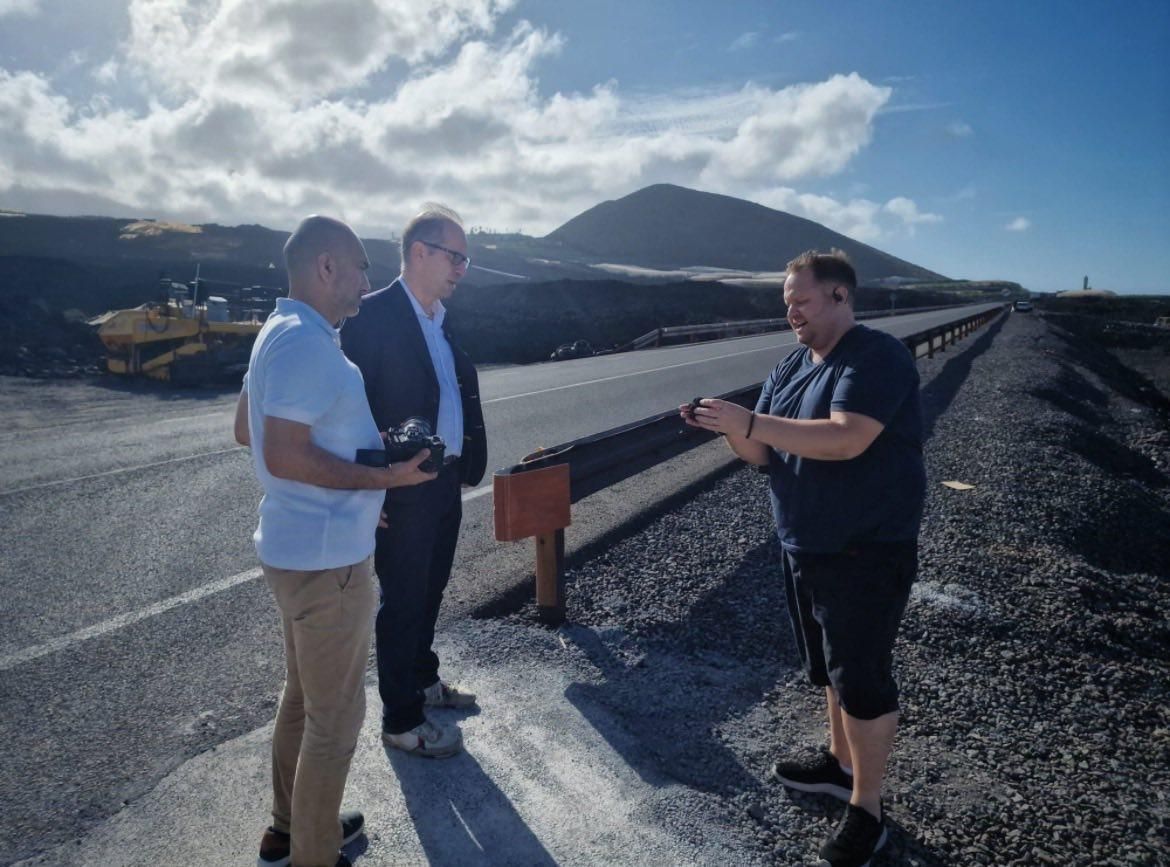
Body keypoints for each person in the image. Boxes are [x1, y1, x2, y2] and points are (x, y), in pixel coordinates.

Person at [682, 250, 925, 867]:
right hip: (805, 542)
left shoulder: (875, 356)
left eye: (801, 301)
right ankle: (839, 766)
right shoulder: (793, 364)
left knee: (861, 680)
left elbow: (846, 438)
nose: (791, 312)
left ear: (840, 295)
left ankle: (867, 810)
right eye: (786, 302)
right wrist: (729, 427)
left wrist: (751, 420)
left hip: (866, 546)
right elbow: (762, 454)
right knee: (829, 670)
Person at [234, 215, 436, 867]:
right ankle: (313, 855)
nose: (366, 283)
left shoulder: (277, 332)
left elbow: (247, 430)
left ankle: (289, 829)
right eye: (360, 268)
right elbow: (285, 452)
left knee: (303, 698)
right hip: (328, 568)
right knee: (336, 721)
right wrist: (383, 479)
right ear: (326, 267)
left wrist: (355, 496)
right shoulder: (307, 345)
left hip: (294, 551)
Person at [340, 204, 487, 759]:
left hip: (443, 481)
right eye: (455, 257)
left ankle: (423, 681)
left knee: (431, 589)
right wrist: (368, 484)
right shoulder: (372, 317)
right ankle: (401, 720)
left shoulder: (441, 319)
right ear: (419, 252)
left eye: (465, 260)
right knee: (402, 599)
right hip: (400, 485)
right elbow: (348, 412)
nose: (462, 270)